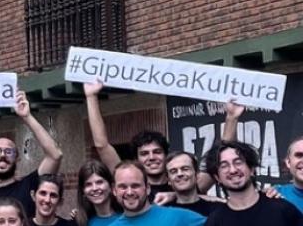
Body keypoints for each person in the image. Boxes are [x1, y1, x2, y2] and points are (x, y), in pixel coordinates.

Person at [84, 81, 238, 196]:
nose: (151, 157)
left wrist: (231, 118)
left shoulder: (187, 183)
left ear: (166, 155)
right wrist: (91, 96)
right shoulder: (131, 185)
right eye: (144, 154)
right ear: (136, 159)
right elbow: (102, 146)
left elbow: (220, 155)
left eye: (157, 151)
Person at [0, 91, 64, 221]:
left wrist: (27, 117)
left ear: (17, 159)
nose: (3, 155)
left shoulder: (30, 186)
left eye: (9, 152)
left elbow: (55, 155)